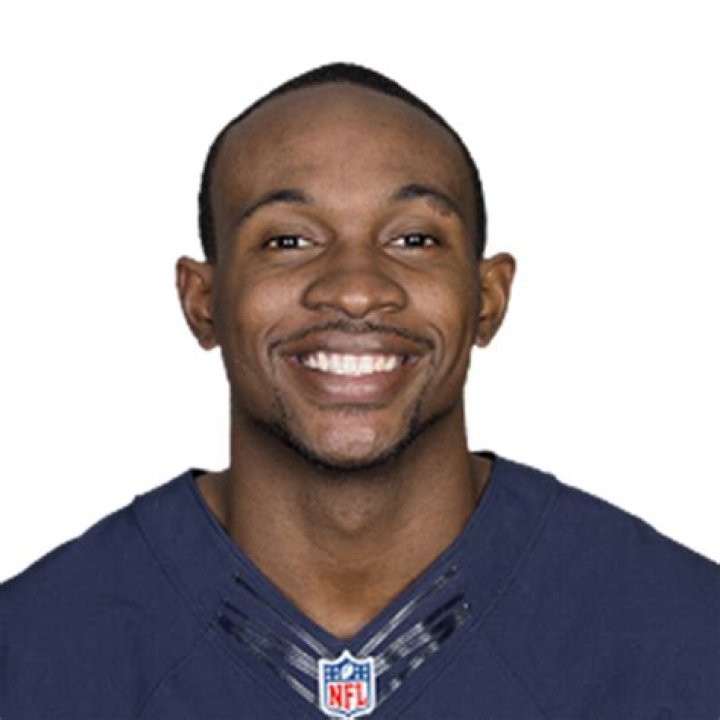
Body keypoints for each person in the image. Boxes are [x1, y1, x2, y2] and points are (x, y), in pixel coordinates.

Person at [0, 62, 717, 719]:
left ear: (489, 298)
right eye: (288, 241)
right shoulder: (32, 652)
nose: (354, 289)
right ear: (202, 301)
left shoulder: (688, 636)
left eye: (413, 240)